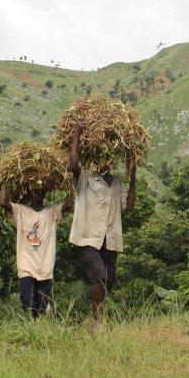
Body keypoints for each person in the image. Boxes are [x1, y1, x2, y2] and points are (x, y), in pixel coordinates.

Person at [68, 118, 137, 332]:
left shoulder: (117, 183)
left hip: (111, 239)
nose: (108, 161)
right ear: (97, 159)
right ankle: (96, 321)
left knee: (109, 280)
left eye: (110, 158)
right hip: (88, 237)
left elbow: (129, 207)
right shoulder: (87, 179)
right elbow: (72, 164)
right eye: (103, 157)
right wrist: (77, 133)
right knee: (100, 275)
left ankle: (98, 317)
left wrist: (134, 177)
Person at [0, 184, 73, 318]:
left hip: (45, 266)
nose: (39, 192)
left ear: (45, 193)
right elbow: (3, 203)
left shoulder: (52, 211)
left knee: (42, 304)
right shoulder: (20, 210)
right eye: (35, 189)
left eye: (42, 190)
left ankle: (38, 329)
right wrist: (6, 182)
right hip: (26, 264)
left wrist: (68, 183)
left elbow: (68, 205)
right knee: (27, 300)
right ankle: (31, 325)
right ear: (30, 191)